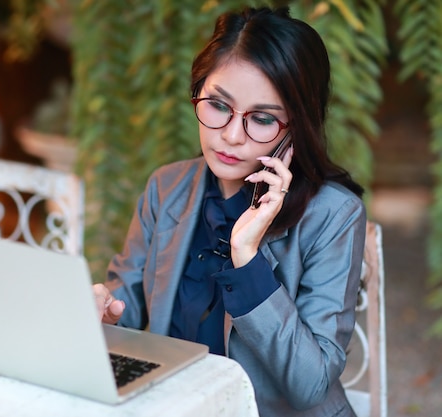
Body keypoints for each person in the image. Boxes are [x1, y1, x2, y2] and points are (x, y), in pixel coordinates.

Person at [94, 6, 366, 417]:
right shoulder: (167, 188)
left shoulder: (334, 216)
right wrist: (103, 312)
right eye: (219, 106)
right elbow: (125, 305)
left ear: (296, 125)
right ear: (197, 92)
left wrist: (247, 257)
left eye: (261, 119)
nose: (232, 135)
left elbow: (310, 386)